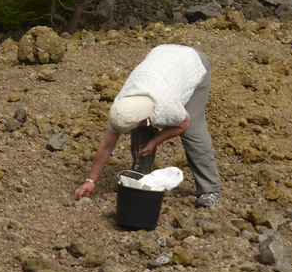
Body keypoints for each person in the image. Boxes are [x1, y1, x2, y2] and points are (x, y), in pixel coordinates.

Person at [74, 44, 221, 208]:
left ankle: (210, 189)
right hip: (163, 58)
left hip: (193, 65)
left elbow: (183, 123)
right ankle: (140, 174)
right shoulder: (121, 106)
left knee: (193, 129)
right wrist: (90, 180)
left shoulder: (164, 108)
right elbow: (107, 145)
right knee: (141, 128)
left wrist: (154, 142)